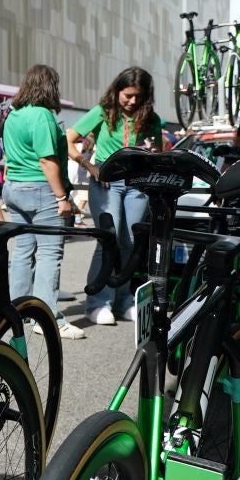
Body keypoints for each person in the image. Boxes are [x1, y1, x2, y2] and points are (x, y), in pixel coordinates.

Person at [68, 67, 163, 326]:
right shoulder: (101, 112)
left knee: (129, 243)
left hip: (137, 185)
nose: (132, 102)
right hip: (107, 184)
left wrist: (152, 153)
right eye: (128, 95)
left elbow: (159, 153)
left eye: (138, 97)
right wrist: (90, 167)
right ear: (117, 90)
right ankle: (98, 303)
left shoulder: (151, 118)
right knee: (108, 241)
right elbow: (69, 139)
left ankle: (123, 301)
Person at [2, 64, 84, 339]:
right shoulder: (42, 117)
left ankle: (19, 310)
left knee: (23, 251)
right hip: (40, 189)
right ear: (50, 87)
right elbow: (47, 161)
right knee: (50, 253)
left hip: (14, 187)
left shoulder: (14, 115)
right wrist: (62, 197)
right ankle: (48, 317)